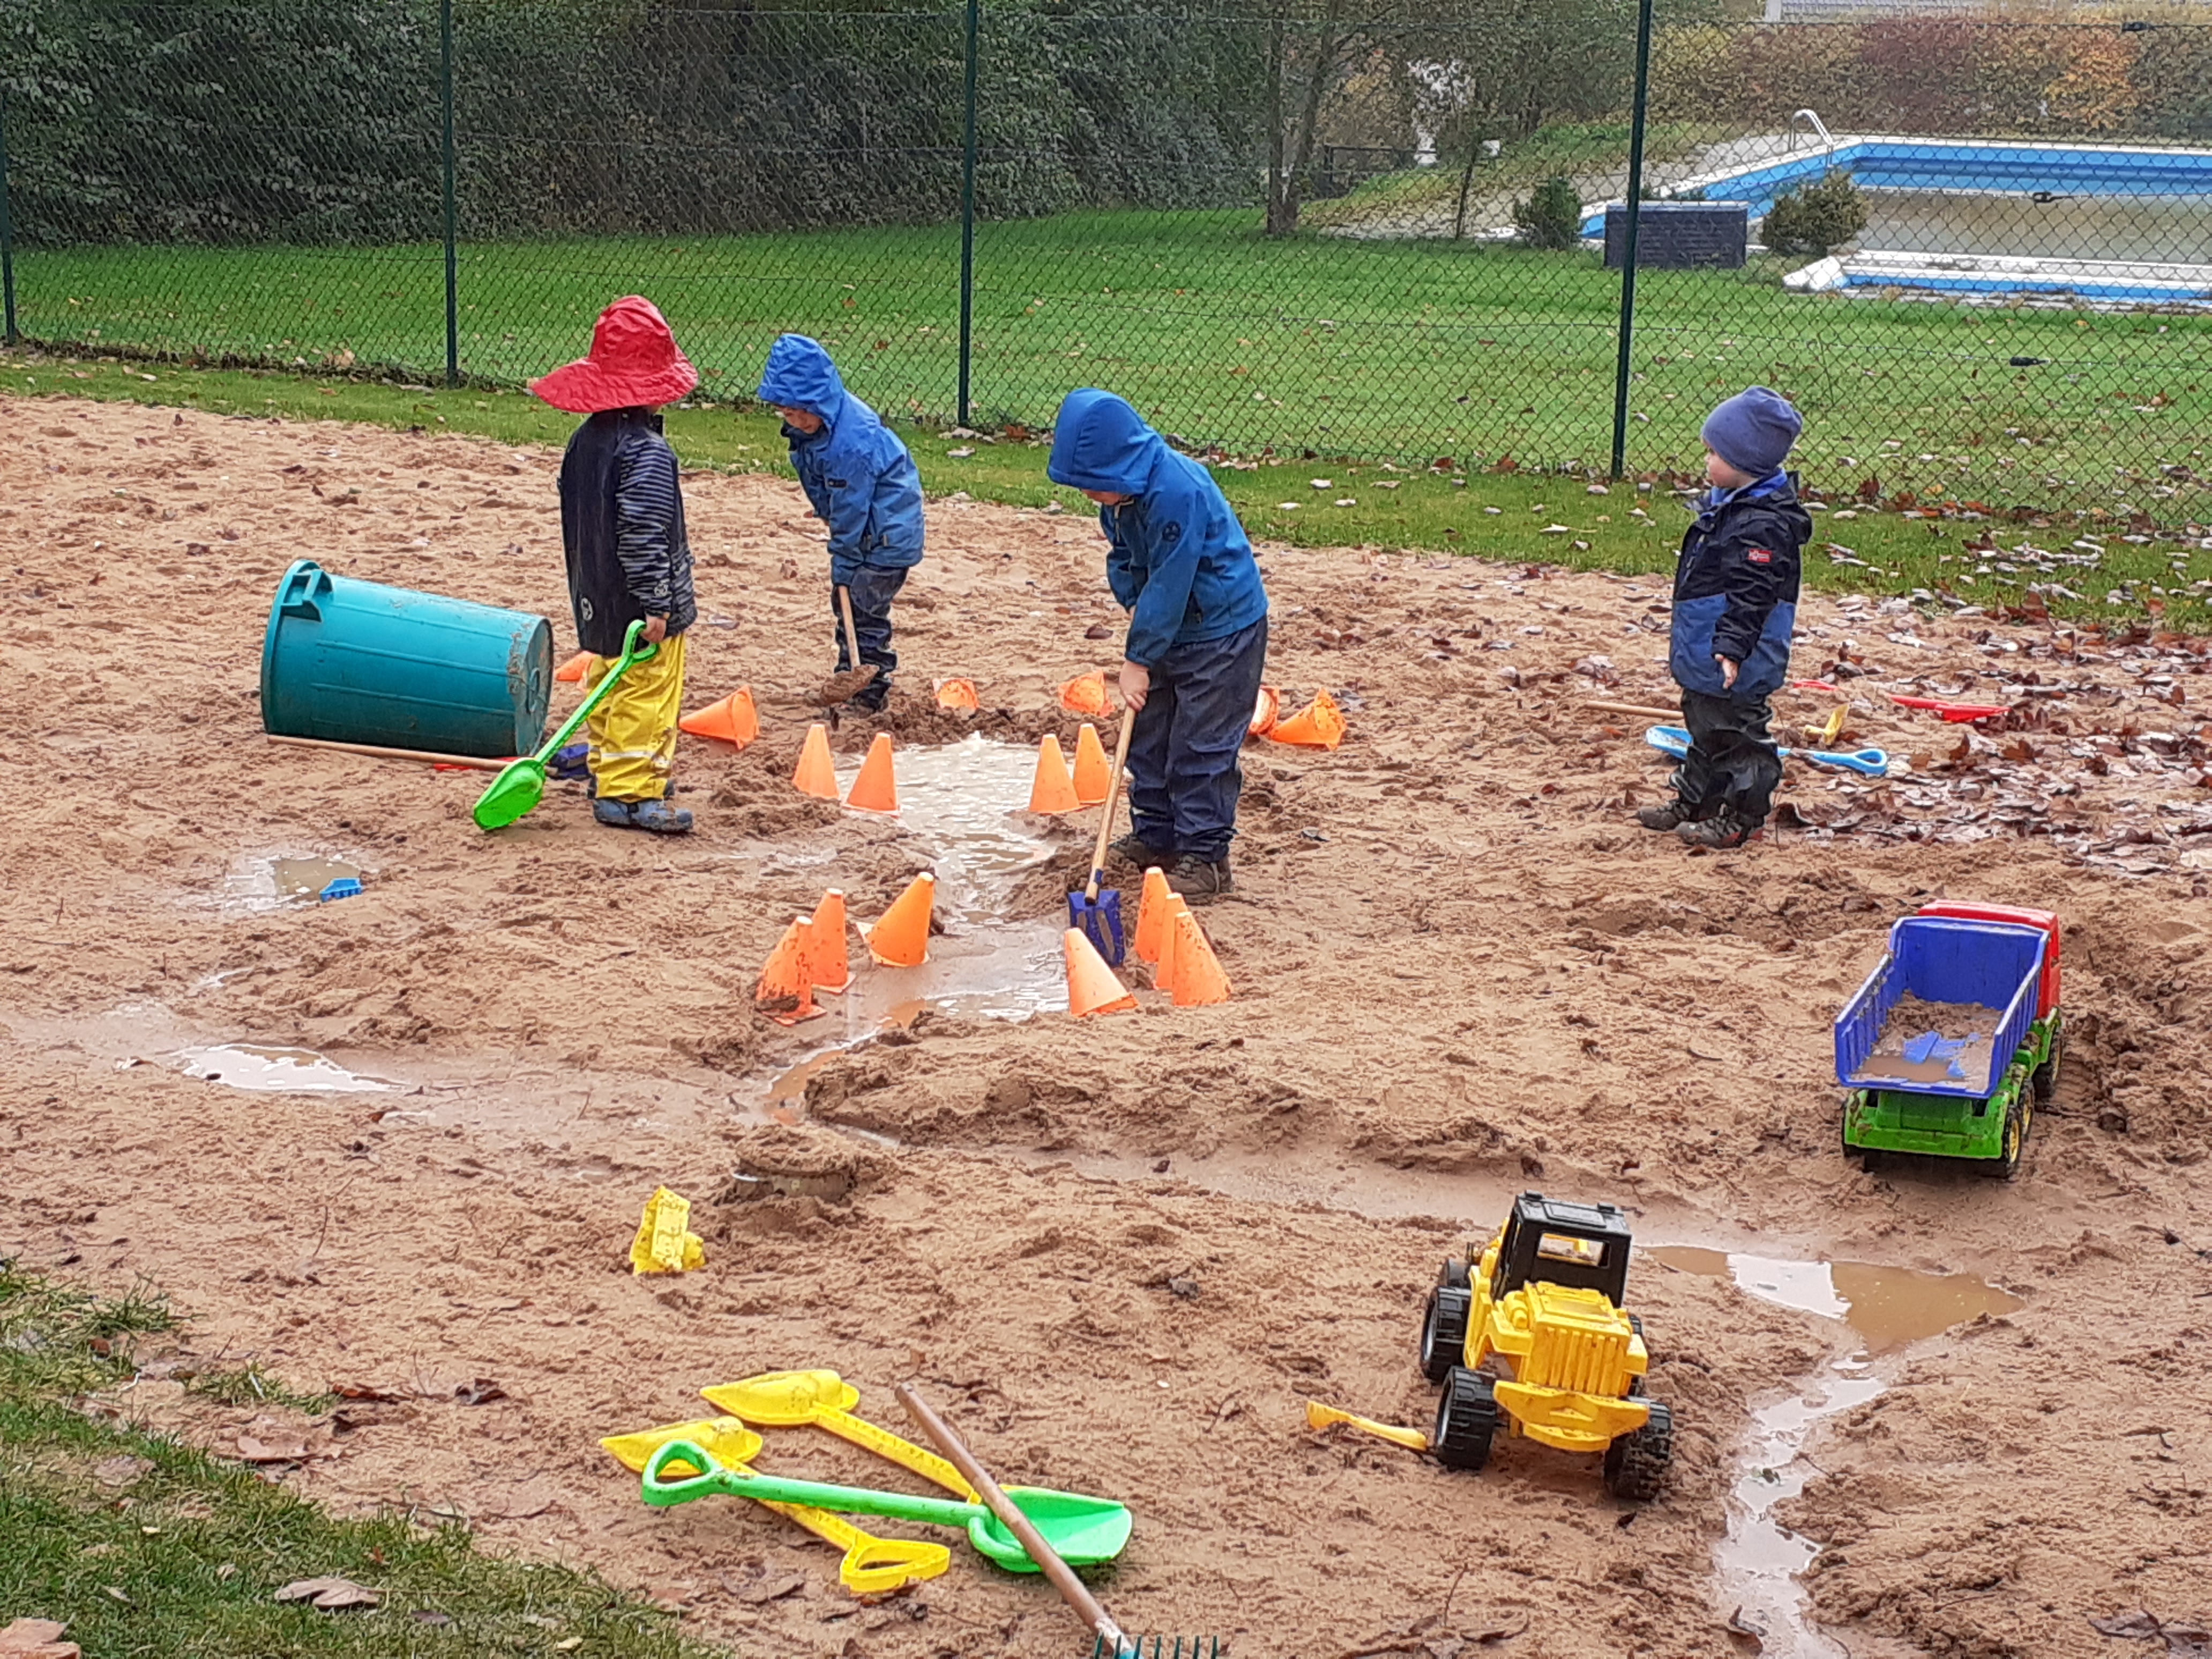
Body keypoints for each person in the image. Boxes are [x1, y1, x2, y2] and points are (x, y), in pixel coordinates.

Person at [1047, 388, 1269, 901]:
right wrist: (1133, 604)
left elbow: (1171, 580)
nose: (1088, 496)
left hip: (1222, 631)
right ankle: (1156, 835)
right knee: (1149, 736)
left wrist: (1138, 659)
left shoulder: (1175, 491)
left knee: (1200, 745)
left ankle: (1206, 859)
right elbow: (1126, 560)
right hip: (1169, 624)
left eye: (1091, 484)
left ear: (1118, 462)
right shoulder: (1120, 499)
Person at [529, 295, 699, 834]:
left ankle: (612, 771)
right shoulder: (647, 453)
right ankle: (632, 794)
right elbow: (645, 533)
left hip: (594, 593)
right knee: (648, 693)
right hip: (638, 602)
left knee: (607, 682)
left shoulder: (585, 443)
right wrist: (658, 602)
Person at [1638, 385, 1811, 849]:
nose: (1706, 462)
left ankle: (1743, 815)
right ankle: (1697, 802)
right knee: (1705, 728)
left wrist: (1732, 648)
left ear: (1745, 462)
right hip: (1706, 645)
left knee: (1738, 735)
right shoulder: (1733, 507)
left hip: (1737, 654)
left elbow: (1753, 595)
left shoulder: (1763, 524)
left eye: (1713, 452)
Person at [756, 334, 924, 713]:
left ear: (821, 400)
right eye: (786, 415)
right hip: (866, 530)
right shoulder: (815, 430)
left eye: (802, 412)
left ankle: (871, 687)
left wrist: (845, 557)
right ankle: (849, 672)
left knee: (863, 606)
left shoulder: (849, 443)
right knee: (847, 601)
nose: (796, 422)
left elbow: (850, 506)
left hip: (885, 536)